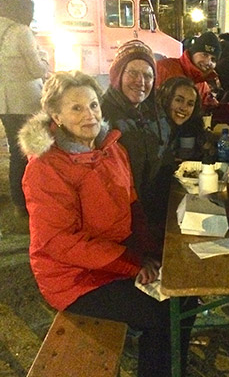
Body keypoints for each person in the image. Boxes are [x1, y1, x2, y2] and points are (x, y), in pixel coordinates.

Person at [19, 71, 196, 377]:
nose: (89, 115)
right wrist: (132, 263)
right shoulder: (46, 166)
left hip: (113, 256)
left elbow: (131, 204)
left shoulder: (111, 147)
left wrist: (153, 250)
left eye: (93, 105)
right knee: (164, 312)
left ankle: (167, 366)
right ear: (56, 116)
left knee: (184, 294)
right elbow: (61, 243)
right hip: (75, 278)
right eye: (76, 108)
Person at [101, 40, 173, 239]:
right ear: (118, 75)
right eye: (132, 73)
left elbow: (164, 152)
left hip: (153, 214)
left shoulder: (154, 110)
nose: (141, 81)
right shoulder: (101, 116)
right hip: (123, 220)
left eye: (148, 75)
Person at [0, 0, 48, 218]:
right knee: (33, 150)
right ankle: (32, 200)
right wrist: (45, 58)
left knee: (14, 151)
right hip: (27, 101)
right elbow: (37, 69)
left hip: (4, 104)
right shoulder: (21, 32)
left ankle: (18, 202)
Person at [156, 32, 221, 110]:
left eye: (213, 59)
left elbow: (206, 110)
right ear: (193, 53)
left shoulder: (203, 86)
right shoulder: (163, 68)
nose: (208, 62)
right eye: (204, 55)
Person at [156, 76, 216, 161]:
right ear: (166, 99)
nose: (184, 108)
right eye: (179, 100)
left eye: (190, 104)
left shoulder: (190, 127)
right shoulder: (154, 128)